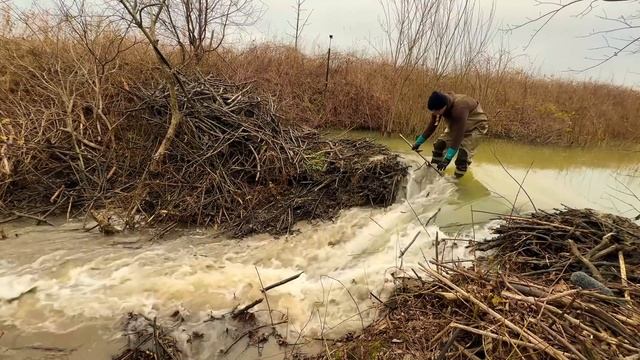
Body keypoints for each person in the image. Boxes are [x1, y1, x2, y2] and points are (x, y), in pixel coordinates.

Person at [412, 91, 489, 178]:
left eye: (437, 111)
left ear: (444, 106)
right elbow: (433, 125)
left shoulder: (460, 108)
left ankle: (457, 182)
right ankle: (434, 173)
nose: (435, 114)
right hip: (457, 125)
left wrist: (448, 158)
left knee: (462, 156)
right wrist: (418, 142)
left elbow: (458, 135)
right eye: (433, 112)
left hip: (476, 127)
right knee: (439, 145)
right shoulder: (439, 105)